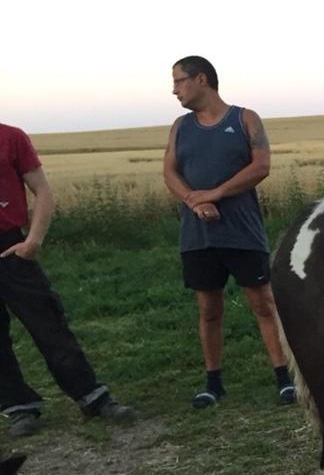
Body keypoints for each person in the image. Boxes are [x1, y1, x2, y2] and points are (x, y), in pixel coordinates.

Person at [162, 55, 295, 409]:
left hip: (242, 232)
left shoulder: (244, 119)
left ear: (201, 79)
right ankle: (213, 383)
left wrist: (215, 194)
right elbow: (170, 172)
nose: (174, 89)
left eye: (179, 81)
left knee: (263, 303)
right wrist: (194, 202)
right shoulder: (180, 126)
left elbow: (262, 165)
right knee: (208, 309)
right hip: (197, 235)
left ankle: (285, 378)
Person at [0, 123, 136, 437]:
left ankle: (93, 398)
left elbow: (42, 190)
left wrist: (33, 241)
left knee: (48, 325)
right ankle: (18, 407)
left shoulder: (11, 138)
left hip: (11, 246)